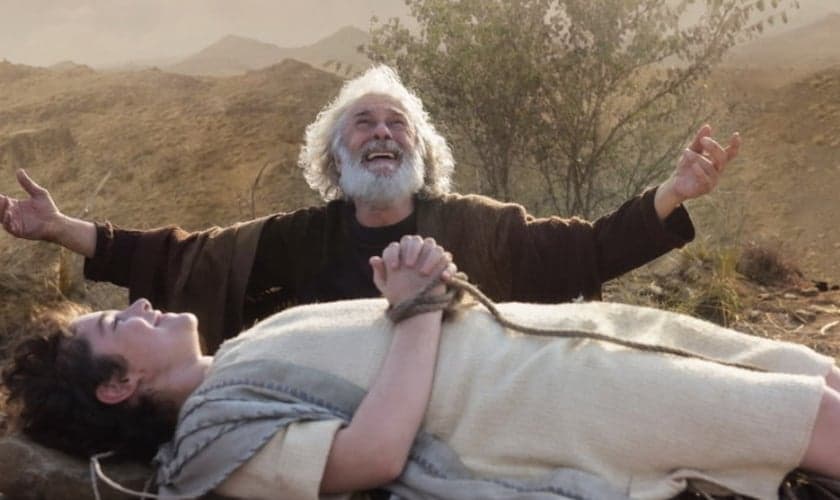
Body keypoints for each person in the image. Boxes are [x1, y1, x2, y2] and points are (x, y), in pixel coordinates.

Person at [3, 237, 840, 500]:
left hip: (574, 339)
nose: (142, 307)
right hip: (560, 404)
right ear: (119, 385)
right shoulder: (213, 445)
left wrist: (407, 284)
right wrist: (411, 308)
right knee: (812, 425)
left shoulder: (243, 354)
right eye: (122, 321)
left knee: (814, 378)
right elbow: (371, 454)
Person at [0, 66, 741, 351]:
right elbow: (180, 258)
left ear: (420, 153)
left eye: (397, 124)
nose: (382, 132)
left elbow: (587, 248)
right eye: (364, 123)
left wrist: (672, 193)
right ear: (334, 157)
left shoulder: (476, 226)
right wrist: (63, 229)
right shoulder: (290, 240)